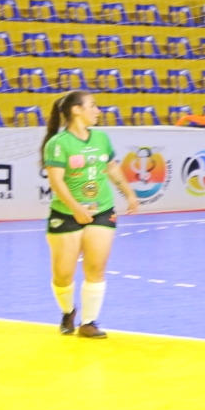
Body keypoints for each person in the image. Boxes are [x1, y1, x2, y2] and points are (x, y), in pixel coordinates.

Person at [42, 91, 138, 339]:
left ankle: (88, 322)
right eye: (93, 106)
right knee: (63, 275)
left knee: (96, 268)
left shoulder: (102, 138)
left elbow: (112, 168)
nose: (98, 111)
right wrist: (76, 208)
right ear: (76, 110)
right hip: (66, 214)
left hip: (101, 210)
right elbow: (56, 181)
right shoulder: (59, 143)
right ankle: (68, 311)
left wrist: (129, 194)